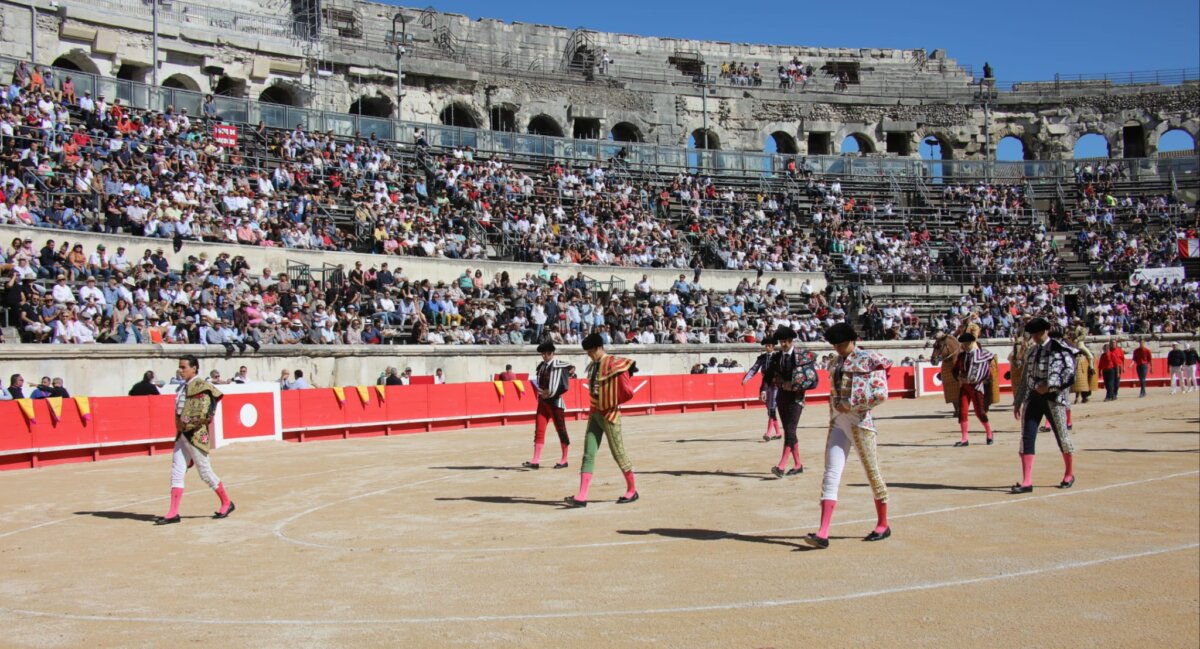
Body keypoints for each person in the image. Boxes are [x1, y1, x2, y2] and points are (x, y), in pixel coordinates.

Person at [805, 322, 893, 549]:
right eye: (835, 345)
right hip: (837, 422)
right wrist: (837, 406)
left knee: (872, 472)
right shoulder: (834, 362)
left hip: (860, 422)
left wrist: (850, 403)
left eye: (842, 344)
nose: (838, 349)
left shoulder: (870, 359)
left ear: (853, 340)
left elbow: (881, 394)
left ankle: (883, 524)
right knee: (831, 473)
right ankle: (823, 532)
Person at [156, 355, 234, 525]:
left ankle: (227, 502)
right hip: (182, 435)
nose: (181, 370)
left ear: (194, 368)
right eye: (180, 367)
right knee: (176, 471)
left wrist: (188, 423)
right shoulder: (184, 387)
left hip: (196, 435)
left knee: (205, 472)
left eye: (184, 367)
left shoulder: (203, 387)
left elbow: (206, 413)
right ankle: (173, 512)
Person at [565, 333, 639, 507]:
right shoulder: (593, 365)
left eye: (590, 351)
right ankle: (582, 496)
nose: (589, 354)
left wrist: (612, 402)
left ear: (599, 348)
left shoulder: (614, 363)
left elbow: (627, 391)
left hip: (610, 415)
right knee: (588, 454)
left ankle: (632, 489)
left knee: (618, 453)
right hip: (594, 414)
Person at [1011, 319, 1077, 494]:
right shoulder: (1032, 352)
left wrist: (1049, 385)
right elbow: (1025, 378)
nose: (1035, 336)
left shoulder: (1060, 349)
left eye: (1038, 333)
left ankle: (1069, 474)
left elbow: (1069, 373)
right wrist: (1018, 401)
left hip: (1053, 398)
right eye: (1033, 333)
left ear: (1046, 331)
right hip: (1033, 398)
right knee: (1027, 437)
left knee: (1062, 435)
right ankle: (1027, 481)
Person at [762, 326, 814, 477]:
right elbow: (767, 375)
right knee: (790, 431)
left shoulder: (802, 357)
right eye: (781, 341)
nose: (783, 344)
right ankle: (798, 465)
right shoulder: (777, 357)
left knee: (790, 431)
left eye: (785, 341)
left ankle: (781, 465)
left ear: (792, 341)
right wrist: (763, 389)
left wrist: (795, 385)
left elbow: (813, 380)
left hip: (796, 398)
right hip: (781, 398)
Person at [524, 341, 574, 470]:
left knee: (561, 430)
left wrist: (551, 393)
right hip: (543, 403)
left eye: (547, 354)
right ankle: (535, 460)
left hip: (556, 403)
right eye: (543, 354)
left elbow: (567, 377)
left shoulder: (559, 365)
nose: (545, 356)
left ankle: (564, 460)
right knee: (539, 430)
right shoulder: (541, 367)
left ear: (552, 353)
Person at [952, 332, 995, 446]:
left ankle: (989, 433)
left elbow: (987, 368)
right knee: (963, 411)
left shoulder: (981, 354)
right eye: (963, 344)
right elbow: (955, 370)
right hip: (964, 386)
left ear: (971, 343)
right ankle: (964, 438)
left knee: (980, 412)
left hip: (976, 387)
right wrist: (959, 378)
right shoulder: (962, 356)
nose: (965, 346)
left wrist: (980, 377)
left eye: (967, 343)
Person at [741, 335, 782, 442]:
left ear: (773, 347)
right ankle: (778, 432)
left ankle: (768, 433)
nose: (767, 347)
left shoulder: (778, 357)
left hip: (775, 384)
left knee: (772, 408)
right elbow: (754, 369)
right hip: (765, 384)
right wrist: (746, 378)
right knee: (769, 409)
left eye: (769, 346)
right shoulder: (762, 358)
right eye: (766, 346)